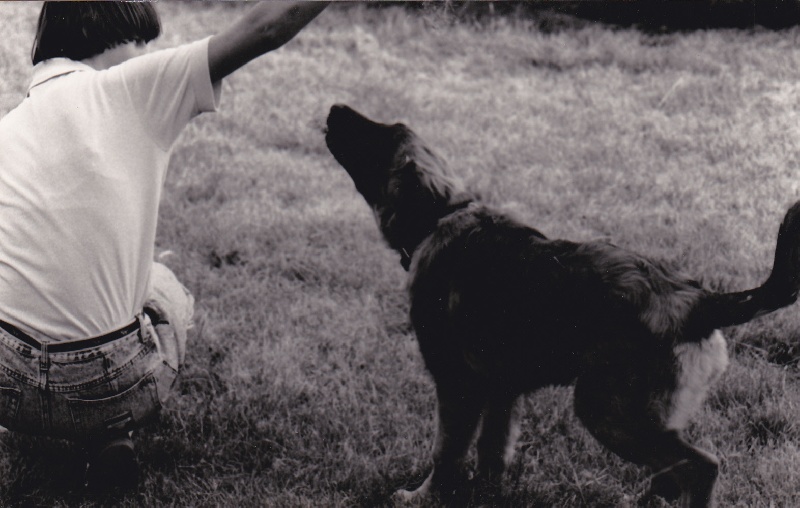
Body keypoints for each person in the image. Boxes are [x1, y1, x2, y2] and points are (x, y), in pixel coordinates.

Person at [0, 1, 328, 492]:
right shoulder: (133, 86)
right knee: (162, 285)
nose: (148, 54)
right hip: (106, 383)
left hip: (8, 385)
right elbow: (265, 27)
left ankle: (91, 436)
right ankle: (112, 431)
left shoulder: (10, 127)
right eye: (142, 42)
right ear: (106, 33)